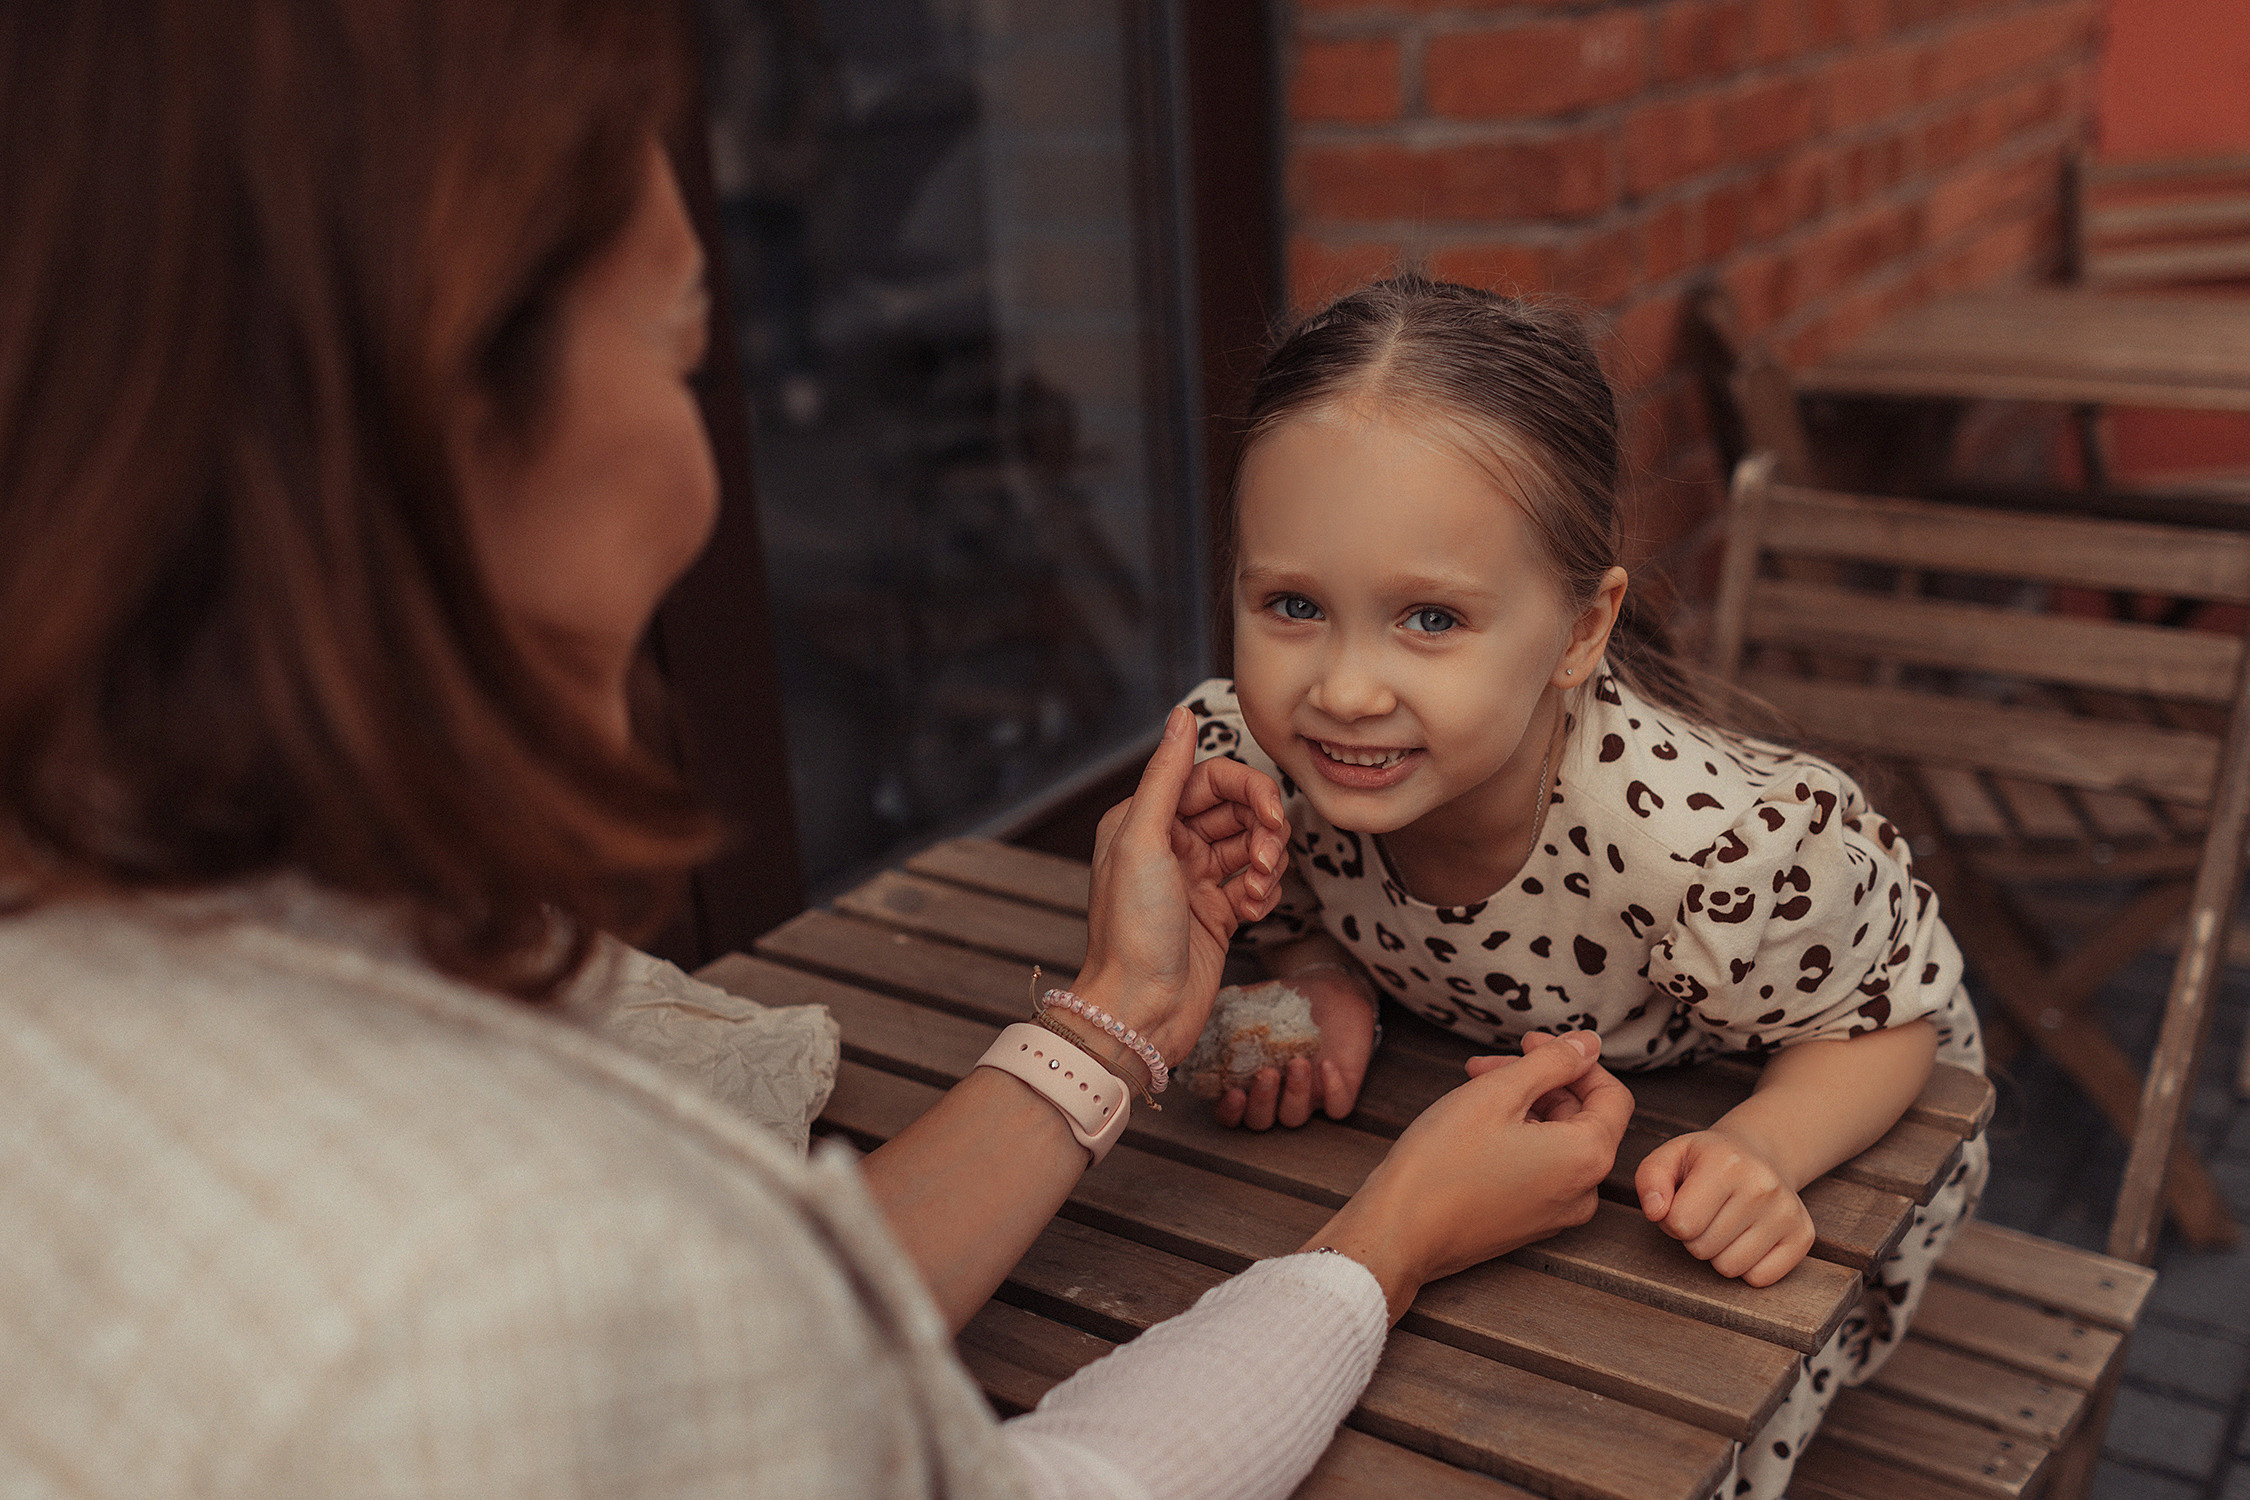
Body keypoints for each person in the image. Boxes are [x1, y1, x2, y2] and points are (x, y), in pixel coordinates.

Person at [0, 8, 1637, 1498]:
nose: (712, 473)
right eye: (680, 351)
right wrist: (1392, 1238)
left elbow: (770, 1358)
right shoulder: (509, 1294)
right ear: (441, 429)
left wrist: (1121, 1016)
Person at [1178, 274, 1989, 1499]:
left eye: (1429, 619)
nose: (1342, 688)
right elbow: (1295, 908)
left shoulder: (1715, 854)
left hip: (1781, 1080)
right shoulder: (1250, 764)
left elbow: (1896, 1020)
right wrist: (1318, 972)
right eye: (1293, 604)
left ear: (1577, 629)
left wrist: (1764, 1148)